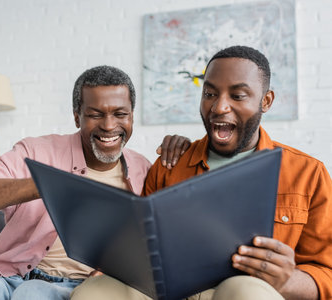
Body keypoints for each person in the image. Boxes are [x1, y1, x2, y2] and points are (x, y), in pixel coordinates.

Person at [0, 65, 190, 300]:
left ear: (132, 116)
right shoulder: (36, 151)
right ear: (77, 117)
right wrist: (44, 185)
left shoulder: (144, 170)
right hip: (7, 280)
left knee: (32, 295)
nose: (109, 126)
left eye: (120, 114)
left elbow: (167, 239)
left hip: (80, 291)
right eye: (95, 115)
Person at [70, 46, 332, 300]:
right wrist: (116, 262)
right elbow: (141, 246)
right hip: (171, 291)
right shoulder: (170, 164)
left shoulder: (307, 173)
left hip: (239, 290)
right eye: (209, 94)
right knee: (93, 292)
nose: (219, 107)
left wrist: (288, 281)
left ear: (266, 101)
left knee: (246, 291)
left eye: (237, 96)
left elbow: (327, 275)